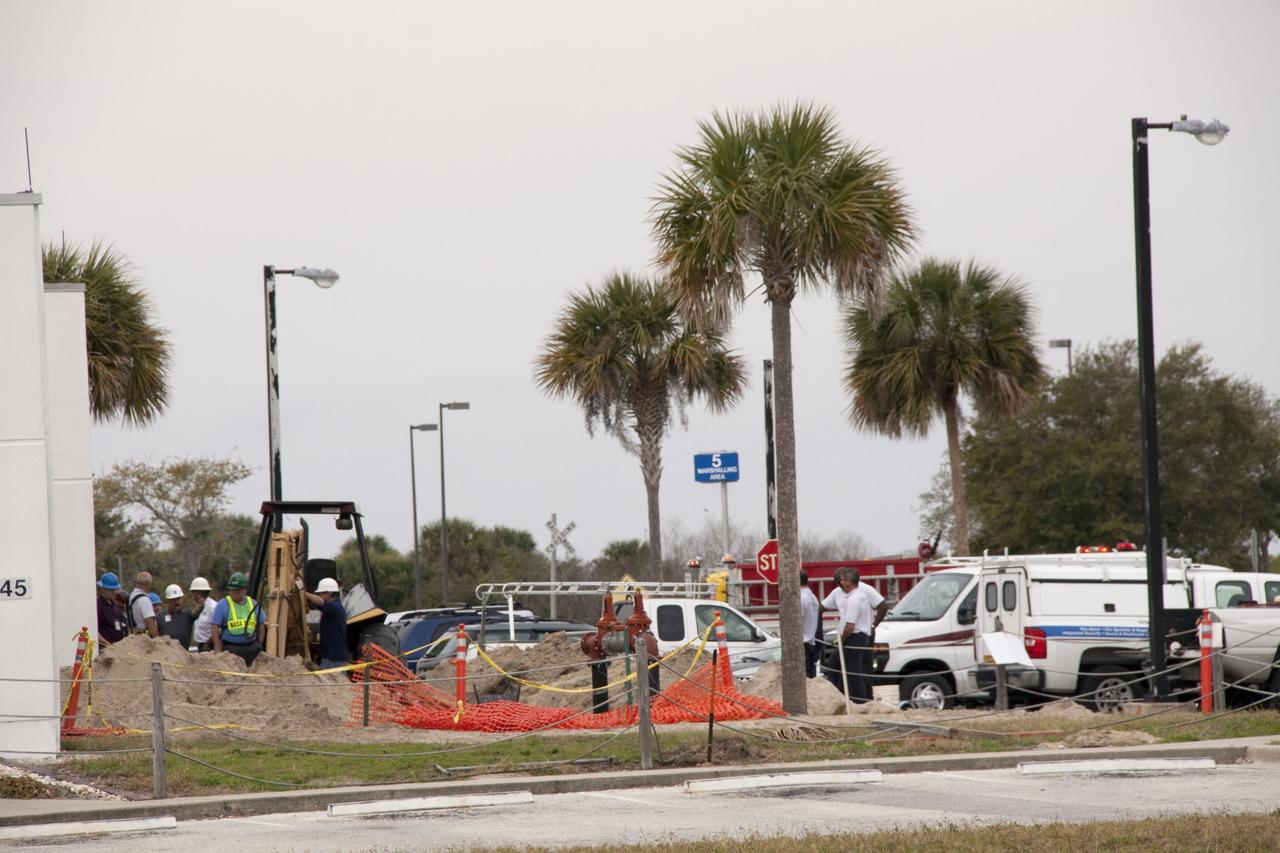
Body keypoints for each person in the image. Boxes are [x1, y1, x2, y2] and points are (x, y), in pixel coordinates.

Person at [828, 568, 888, 702]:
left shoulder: (857, 597)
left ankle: (860, 700)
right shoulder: (855, 595)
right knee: (841, 665)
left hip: (857, 635)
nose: (841, 585)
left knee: (855, 670)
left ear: (849, 581)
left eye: (842, 581)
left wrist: (841, 640)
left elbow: (850, 625)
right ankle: (847, 698)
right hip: (858, 635)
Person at [211, 572, 264, 665]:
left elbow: (261, 625)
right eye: (232, 590)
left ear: (244, 590)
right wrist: (218, 650)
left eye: (237, 590)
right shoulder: (223, 605)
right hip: (231, 650)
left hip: (251, 649)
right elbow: (214, 627)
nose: (234, 593)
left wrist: (259, 644)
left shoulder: (253, 604)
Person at [301, 577, 349, 670]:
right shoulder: (333, 608)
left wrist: (304, 593)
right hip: (332, 656)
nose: (319, 595)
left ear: (329, 593)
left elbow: (320, 602)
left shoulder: (334, 607)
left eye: (321, 593)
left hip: (333, 659)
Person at [157, 584, 195, 649]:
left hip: (184, 655)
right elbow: (148, 632)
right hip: (166, 655)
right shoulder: (159, 617)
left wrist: (202, 603)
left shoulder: (187, 615)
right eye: (173, 599)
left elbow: (197, 612)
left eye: (178, 599)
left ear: (182, 599)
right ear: (168, 601)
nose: (176, 602)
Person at [96, 572, 128, 646]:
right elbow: (94, 631)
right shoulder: (98, 605)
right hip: (105, 649)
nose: (114, 591)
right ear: (102, 588)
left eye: (115, 589)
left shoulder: (114, 605)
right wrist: (108, 645)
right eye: (111, 589)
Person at [800, 570, 820, 678]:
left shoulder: (800, 598)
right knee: (811, 678)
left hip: (803, 644)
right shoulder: (812, 597)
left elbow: (798, 620)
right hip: (811, 643)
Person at [126, 572, 159, 638]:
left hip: (134, 634)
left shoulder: (131, 596)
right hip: (144, 636)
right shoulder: (144, 599)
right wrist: (157, 641)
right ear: (148, 584)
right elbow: (150, 624)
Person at [189, 576, 218, 651]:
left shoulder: (213, 607)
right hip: (200, 645)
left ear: (199, 592)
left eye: (193, 591)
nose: (192, 594)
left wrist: (207, 645)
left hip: (209, 646)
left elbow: (217, 629)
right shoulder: (196, 607)